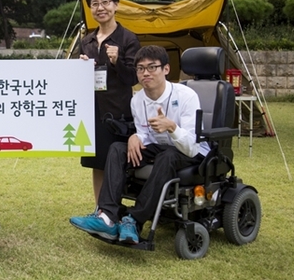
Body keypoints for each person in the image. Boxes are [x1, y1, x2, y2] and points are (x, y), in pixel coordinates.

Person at [70, 45, 210, 244]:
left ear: (166, 69)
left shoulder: (186, 96)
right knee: (118, 148)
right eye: (140, 69)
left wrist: (171, 127)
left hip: (187, 150)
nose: (146, 73)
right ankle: (107, 216)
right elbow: (145, 133)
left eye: (152, 67)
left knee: (168, 155)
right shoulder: (137, 100)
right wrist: (136, 137)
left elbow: (192, 146)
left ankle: (134, 221)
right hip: (158, 148)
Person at [79, 0, 140, 205]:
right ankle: (99, 209)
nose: (100, 8)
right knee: (97, 164)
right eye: (95, 4)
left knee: (117, 164)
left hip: (119, 113)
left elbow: (133, 77)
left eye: (105, 2)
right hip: (93, 112)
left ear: (116, 5)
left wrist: (117, 61)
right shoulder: (87, 41)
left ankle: (114, 209)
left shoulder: (128, 39)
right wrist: (81, 67)